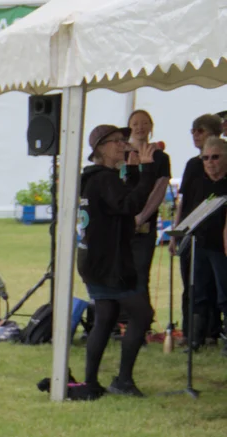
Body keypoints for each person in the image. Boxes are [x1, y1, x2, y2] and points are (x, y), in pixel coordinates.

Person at [77, 124, 160, 395]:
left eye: (124, 140)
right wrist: (147, 170)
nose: (123, 145)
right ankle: (122, 380)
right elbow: (129, 205)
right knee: (141, 313)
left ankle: (90, 381)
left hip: (93, 260)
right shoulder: (104, 178)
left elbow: (121, 200)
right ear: (101, 148)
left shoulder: (94, 178)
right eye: (117, 141)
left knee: (106, 314)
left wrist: (135, 170)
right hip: (108, 263)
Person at [176, 113, 224, 344]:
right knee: (196, 288)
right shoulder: (194, 168)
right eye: (206, 158)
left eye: (215, 157)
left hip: (220, 241)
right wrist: (177, 232)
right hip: (196, 237)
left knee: (221, 290)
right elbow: (183, 202)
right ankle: (194, 335)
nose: (209, 162)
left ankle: (216, 333)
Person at [124, 111, 170, 330]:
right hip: (120, 222)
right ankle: (118, 321)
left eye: (144, 124)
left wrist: (141, 216)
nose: (139, 128)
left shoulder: (160, 158)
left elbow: (159, 189)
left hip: (145, 224)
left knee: (141, 274)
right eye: (135, 124)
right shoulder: (121, 153)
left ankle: (141, 323)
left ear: (151, 126)